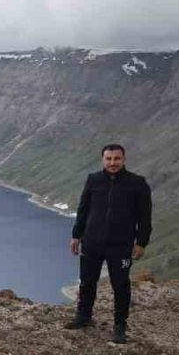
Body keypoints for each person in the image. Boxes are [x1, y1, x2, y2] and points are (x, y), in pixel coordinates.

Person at [65, 144, 152, 344]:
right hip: (92, 241)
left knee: (120, 285)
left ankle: (120, 326)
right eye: (109, 159)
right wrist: (76, 236)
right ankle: (84, 317)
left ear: (123, 159)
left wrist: (141, 243)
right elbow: (83, 209)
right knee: (87, 281)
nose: (113, 163)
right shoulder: (93, 180)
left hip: (120, 245)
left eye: (117, 159)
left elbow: (145, 217)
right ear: (102, 160)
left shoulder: (137, 183)